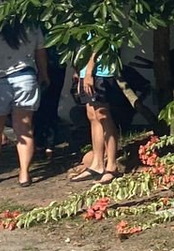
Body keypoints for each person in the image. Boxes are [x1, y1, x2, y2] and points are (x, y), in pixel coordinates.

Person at [0, 0, 49, 187]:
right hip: (25, 79)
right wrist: (43, 74)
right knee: (24, 129)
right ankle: (24, 173)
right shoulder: (31, 27)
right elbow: (41, 53)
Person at [70, 43, 122, 184]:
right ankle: (97, 164)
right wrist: (81, 72)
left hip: (100, 72)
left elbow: (98, 44)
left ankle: (111, 166)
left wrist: (88, 72)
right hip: (86, 72)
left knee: (102, 115)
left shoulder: (99, 22)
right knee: (92, 115)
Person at [33, 44, 67, 155]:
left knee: (46, 105)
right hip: (53, 65)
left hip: (52, 65)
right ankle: (44, 142)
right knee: (45, 106)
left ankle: (45, 142)